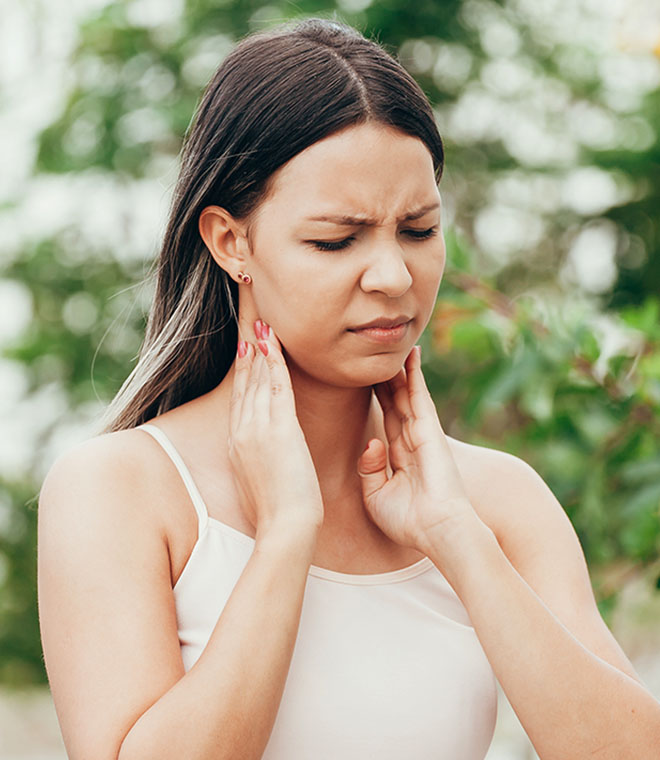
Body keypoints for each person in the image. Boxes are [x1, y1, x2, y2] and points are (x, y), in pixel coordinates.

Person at [37, 17, 660, 760]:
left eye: (420, 230)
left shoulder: (496, 502)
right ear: (231, 240)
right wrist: (287, 536)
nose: (393, 277)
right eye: (337, 240)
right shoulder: (121, 491)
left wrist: (456, 539)